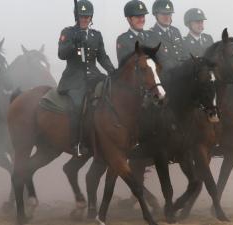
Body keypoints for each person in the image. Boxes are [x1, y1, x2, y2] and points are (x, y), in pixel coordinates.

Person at [57, 0, 115, 155]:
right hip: (74, 79)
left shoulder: (96, 35)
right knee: (77, 105)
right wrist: (73, 43)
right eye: (82, 16)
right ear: (77, 16)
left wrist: (113, 71)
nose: (85, 19)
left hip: (94, 76)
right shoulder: (68, 32)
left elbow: (102, 57)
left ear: (91, 17)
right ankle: (75, 143)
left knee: (112, 96)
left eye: (87, 16)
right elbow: (61, 54)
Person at [150, 0, 188, 75]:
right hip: (166, 79)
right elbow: (157, 62)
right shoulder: (151, 35)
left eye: (169, 14)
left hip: (182, 75)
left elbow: (185, 54)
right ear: (156, 15)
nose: (167, 17)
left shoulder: (175, 31)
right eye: (163, 14)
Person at [116, 0, 158, 66]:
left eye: (143, 16)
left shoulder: (151, 35)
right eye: (138, 17)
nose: (141, 20)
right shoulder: (123, 40)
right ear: (129, 19)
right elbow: (125, 66)